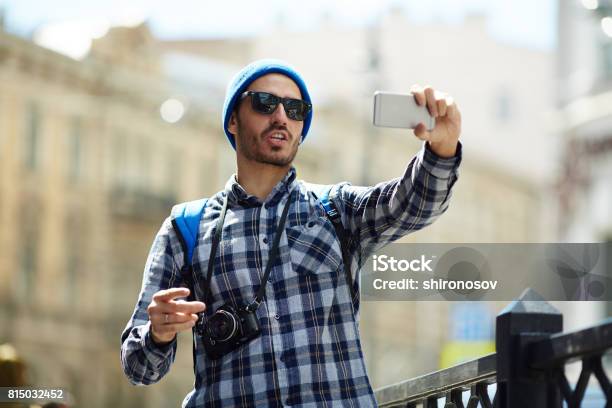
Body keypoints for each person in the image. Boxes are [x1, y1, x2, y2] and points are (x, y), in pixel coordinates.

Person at [120, 59, 462, 407]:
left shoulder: (337, 210)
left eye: (295, 109)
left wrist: (442, 148)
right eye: (264, 103)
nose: (281, 116)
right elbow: (138, 367)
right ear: (233, 119)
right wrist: (159, 334)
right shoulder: (185, 228)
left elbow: (415, 204)